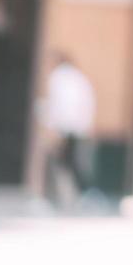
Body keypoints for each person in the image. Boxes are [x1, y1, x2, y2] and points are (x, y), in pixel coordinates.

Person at [42, 52, 95, 208]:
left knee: (61, 163)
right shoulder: (79, 78)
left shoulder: (59, 78)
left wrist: (55, 128)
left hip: (65, 127)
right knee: (72, 163)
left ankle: (55, 199)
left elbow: (60, 105)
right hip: (78, 128)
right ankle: (77, 196)